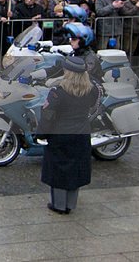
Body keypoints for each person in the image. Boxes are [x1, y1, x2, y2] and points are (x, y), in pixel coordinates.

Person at [37, 56, 100, 214]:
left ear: (68, 72)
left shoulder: (58, 92)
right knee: (76, 170)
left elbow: (48, 115)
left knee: (58, 170)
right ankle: (71, 204)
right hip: (81, 134)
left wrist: (41, 135)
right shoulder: (91, 90)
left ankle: (58, 205)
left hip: (60, 135)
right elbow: (93, 106)